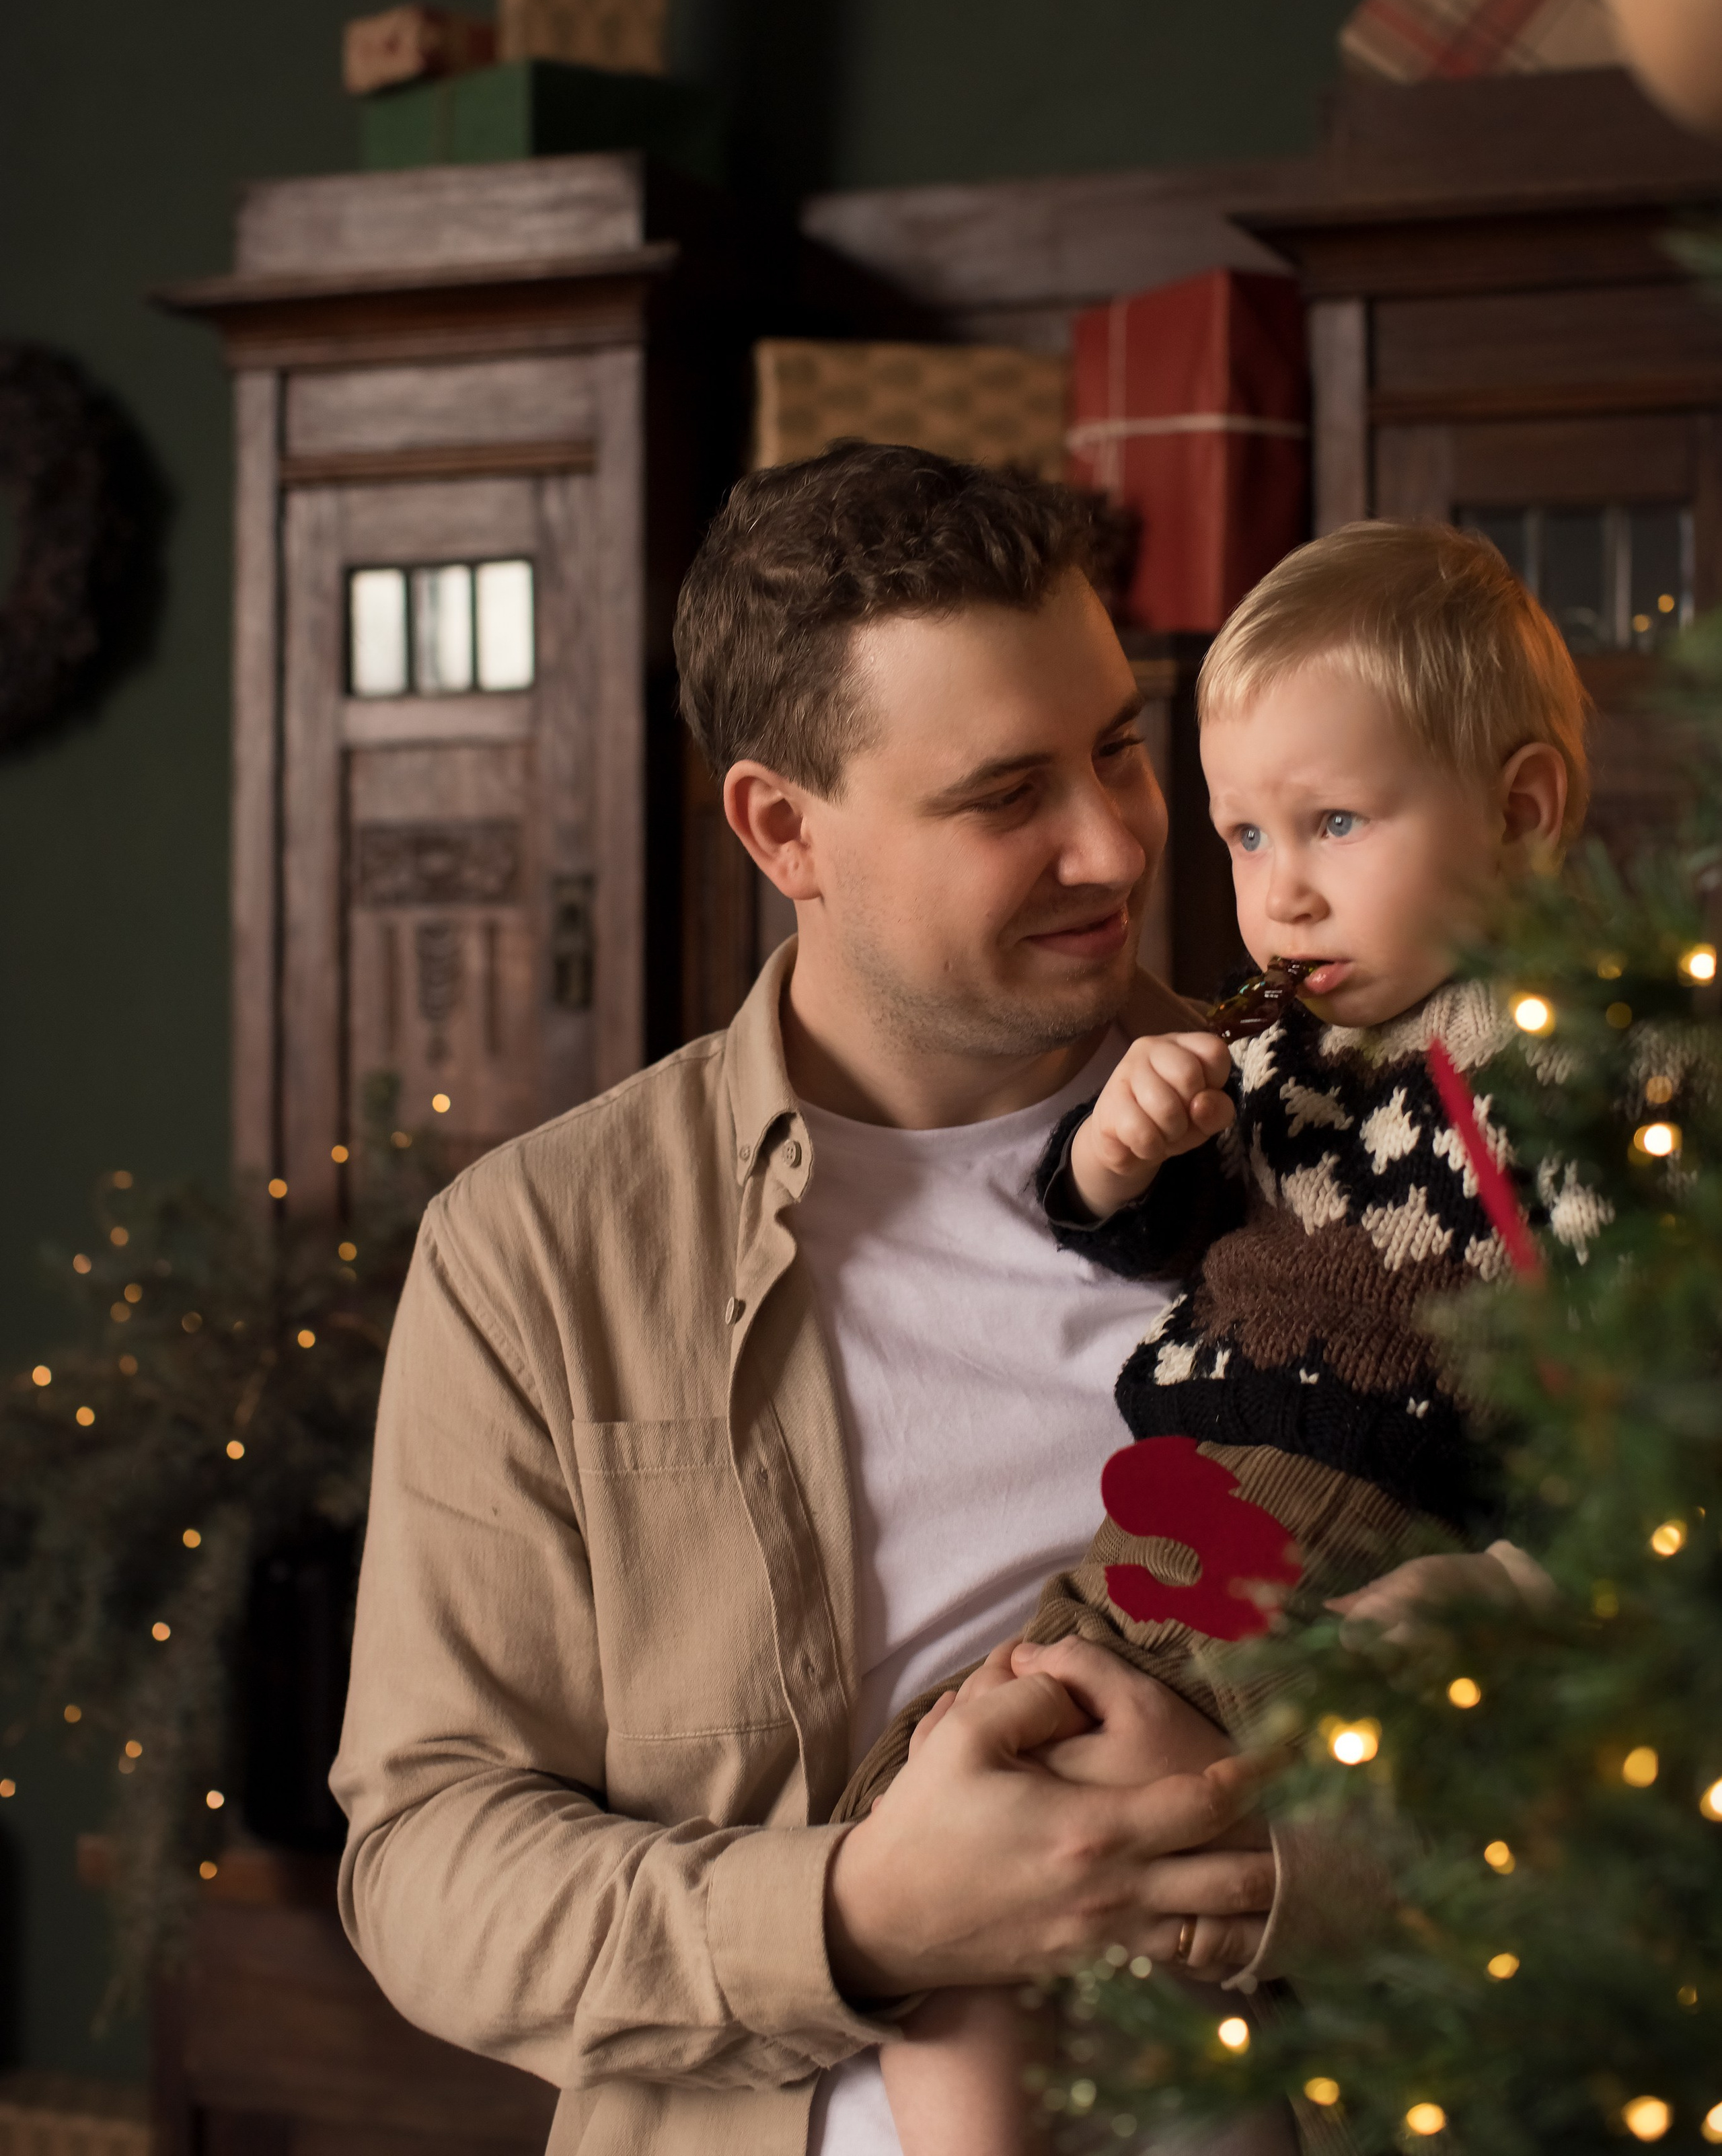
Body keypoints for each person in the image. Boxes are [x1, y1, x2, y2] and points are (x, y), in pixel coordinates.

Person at [333, 444, 1312, 2156]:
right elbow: (425, 1865)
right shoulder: (538, 1252)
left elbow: (1593, 1657)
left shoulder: (1338, 1149)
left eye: (1117, 750)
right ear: (784, 827)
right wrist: (863, 1916)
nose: (1110, 842)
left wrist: (1271, 1859)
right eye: (1005, 795)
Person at [850, 519, 1594, 2156]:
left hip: (1352, 1530)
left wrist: (1514, 1581)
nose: (1283, 891)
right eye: (1246, 837)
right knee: (947, 1825)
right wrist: (1127, 1139)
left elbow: (1624, 1380)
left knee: (1235, 1915)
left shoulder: (1562, 1067)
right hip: (1170, 1519)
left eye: (1334, 823)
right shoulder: (1272, 1055)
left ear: (1523, 815)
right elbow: (1143, 1233)